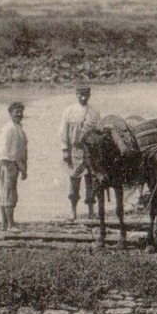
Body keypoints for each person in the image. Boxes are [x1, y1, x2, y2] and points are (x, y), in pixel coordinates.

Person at [60, 86, 99, 221]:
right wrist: (65, 150)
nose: (84, 97)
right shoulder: (69, 111)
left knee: (91, 181)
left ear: (90, 94)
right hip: (74, 151)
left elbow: (97, 133)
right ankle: (73, 211)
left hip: (90, 152)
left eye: (86, 94)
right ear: (76, 94)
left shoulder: (94, 112)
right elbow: (63, 132)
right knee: (74, 181)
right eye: (81, 94)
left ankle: (91, 211)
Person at [0, 100, 29, 232]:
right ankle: (10, 224)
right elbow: (3, 151)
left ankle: (5, 224)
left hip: (13, 163)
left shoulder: (17, 127)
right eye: (16, 112)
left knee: (6, 192)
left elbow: (20, 150)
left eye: (21, 112)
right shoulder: (9, 129)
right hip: (7, 163)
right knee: (9, 193)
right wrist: (10, 166)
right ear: (10, 113)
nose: (19, 114)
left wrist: (22, 168)